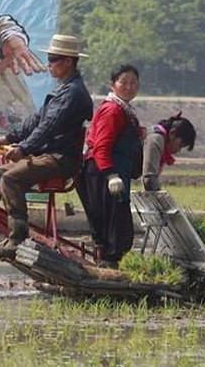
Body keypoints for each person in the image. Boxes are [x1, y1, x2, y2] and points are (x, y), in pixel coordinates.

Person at [0, 34, 93, 260]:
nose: (49, 64)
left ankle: (17, 238)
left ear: (67, 61)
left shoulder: (72, 93)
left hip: (60, 159)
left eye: (53, 59)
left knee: (10, 179)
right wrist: (8, 138)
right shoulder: (63, 89)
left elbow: (48, 127)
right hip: (49, 155)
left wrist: (23, 149)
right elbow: (36, 120)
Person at [76, 64, 143, 268]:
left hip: (114, 174)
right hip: (104, 174)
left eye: (133, 83)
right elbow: (101, 146)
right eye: (124, 83)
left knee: (117, 221)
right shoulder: (112, 110)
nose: (129, 87)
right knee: (112, 223)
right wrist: (110, 175)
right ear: (112, 84)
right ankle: (108, 265)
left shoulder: (124, 110)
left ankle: (111, 262)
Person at [142, 113, 197, 191]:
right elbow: (149, 179)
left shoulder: (160, 140)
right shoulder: (155, 140)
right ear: (172, 133)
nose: (178, 150)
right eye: (180, 145)